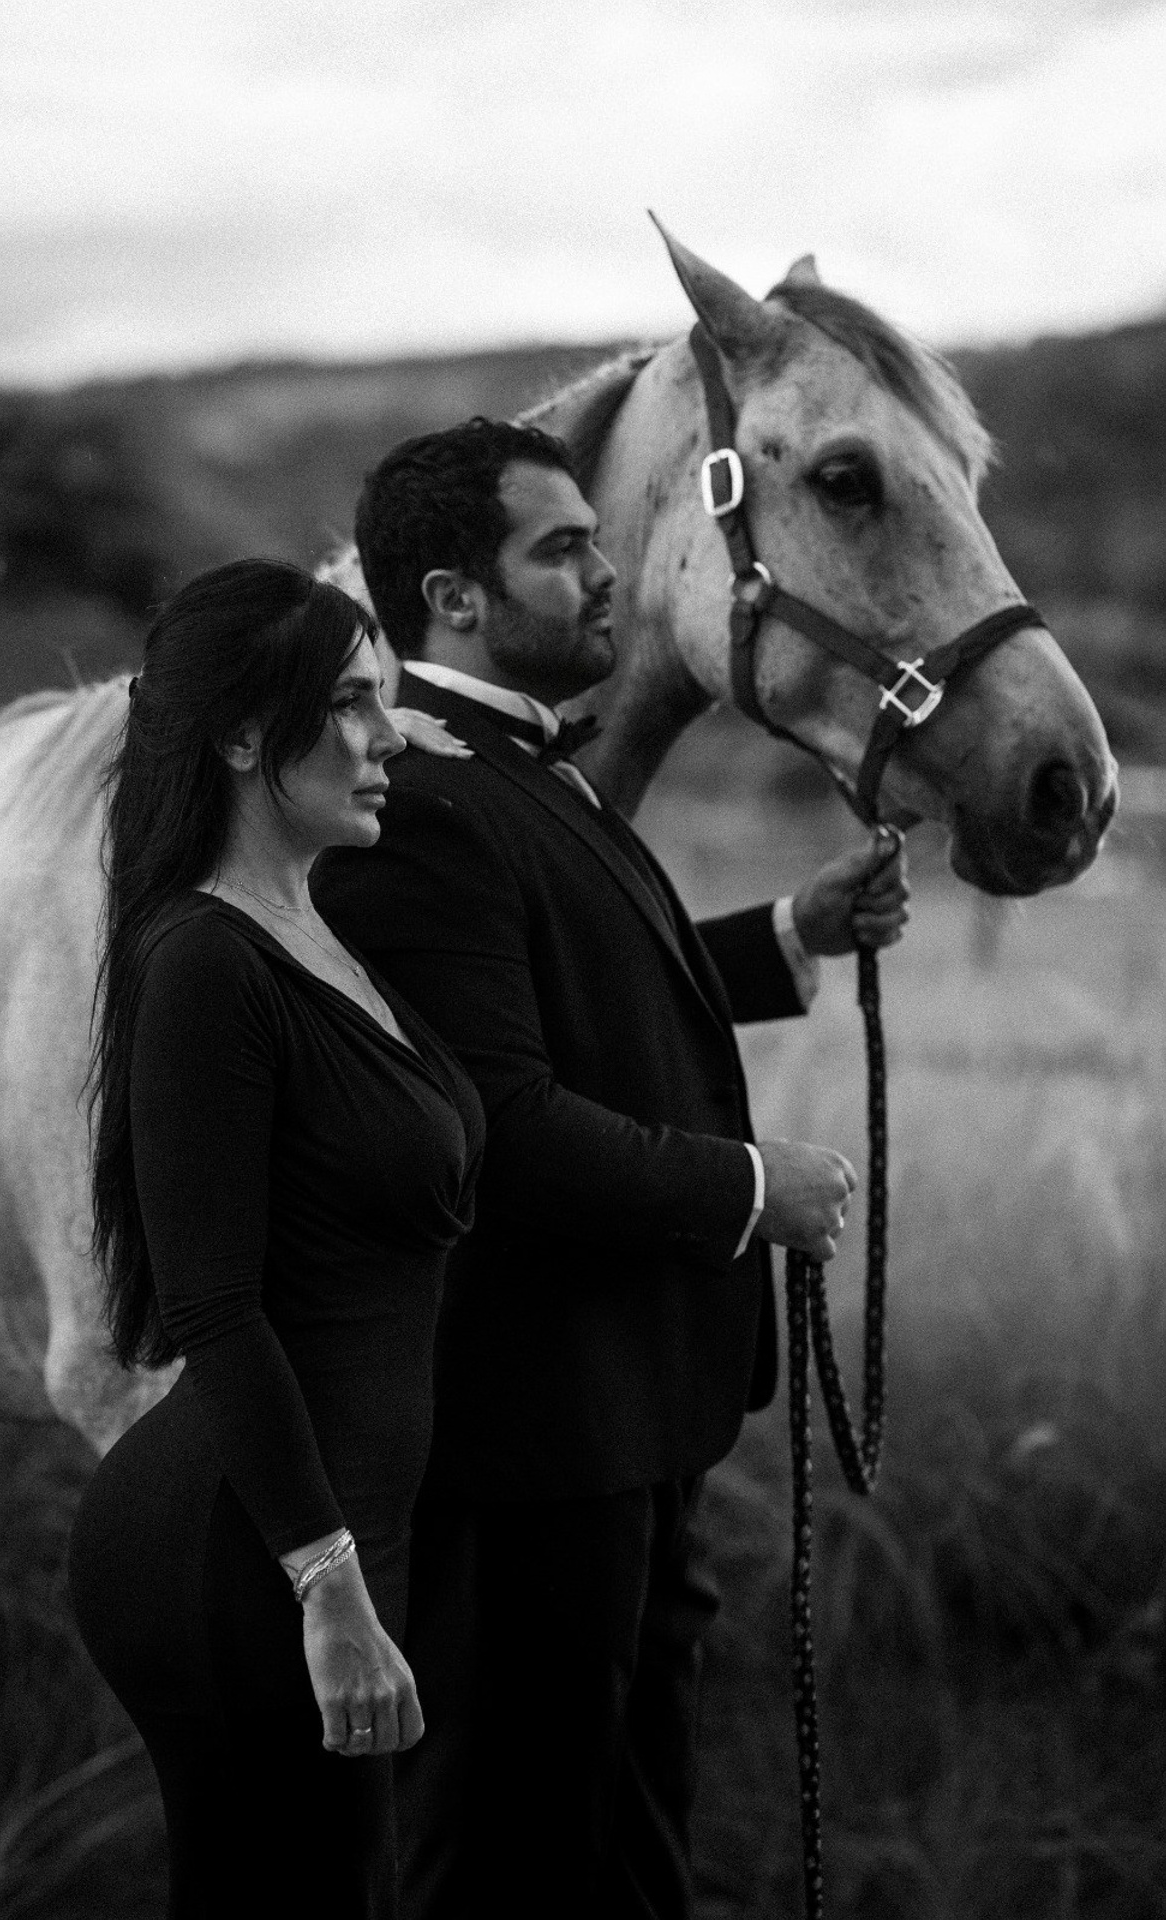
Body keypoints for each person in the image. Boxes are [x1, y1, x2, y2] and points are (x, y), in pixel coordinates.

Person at [313, 420, 909, 1920]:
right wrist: (744, 1191)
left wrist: (790, 936)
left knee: (630, 1831)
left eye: (597, 537)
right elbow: (498, 1121)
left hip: (626, 1415)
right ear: (452, 596)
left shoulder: (523, 772)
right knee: (506, 1851)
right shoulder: (419, 805)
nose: (609, 573)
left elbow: (588, 1004)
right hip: (526, 1441)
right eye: (562, 548)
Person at [68, 559, 485, 1920]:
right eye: (354, 705)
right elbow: (215, 1310)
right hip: (246, 1556)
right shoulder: (204, 960)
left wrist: (784, 941)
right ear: (247, 735)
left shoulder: (315, 925)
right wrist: (331, 1591)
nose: (388, 741)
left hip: (334, 1533)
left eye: (390, 703)